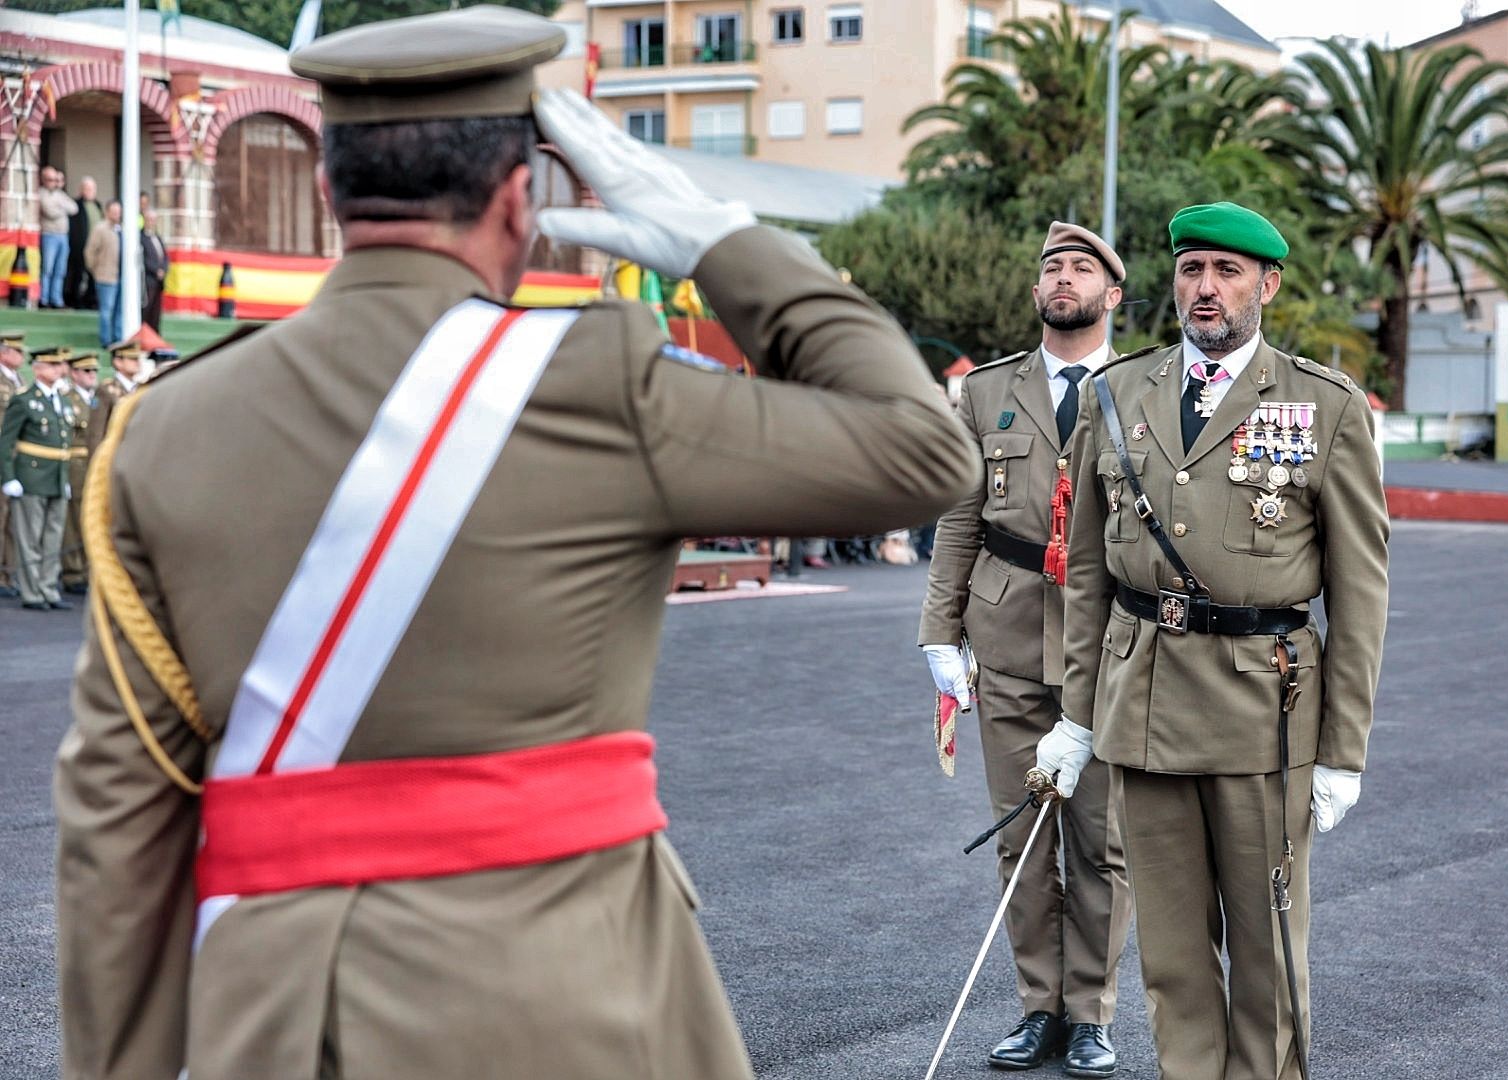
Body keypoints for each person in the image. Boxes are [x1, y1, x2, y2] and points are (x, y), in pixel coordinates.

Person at [53, 8, 976, 1080]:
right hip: (571, 997)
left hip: (279, 1017)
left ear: (328, 193)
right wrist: (721, 242)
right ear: (517, 198)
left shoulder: (163, 423)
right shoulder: (602, 383)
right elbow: (922, 452)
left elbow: (119, 809)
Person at [1041, 202, 1389, 1080]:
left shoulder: (1326, 406)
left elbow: (1360, 597)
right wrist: (1075, 716)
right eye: (1193, 268)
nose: (1207, 288)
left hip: (1261, 713)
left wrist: (1343, 751)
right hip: (1143, 705)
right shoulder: (1116, 394)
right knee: (1172, 956)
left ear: (1266, 286)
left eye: (1228, 272)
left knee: (1269, 951)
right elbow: (1087, 575)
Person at [919, 221, 1134, 1076]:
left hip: (1110, 643)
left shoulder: (1142, 386)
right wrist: (939, 630)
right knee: (1021, 839)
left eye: (1082, 267)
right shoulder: (986, 391)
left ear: (1112, 295)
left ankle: (1090, 1013)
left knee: (1099, 840)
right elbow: (960, 516)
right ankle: (1037, 1008)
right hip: (1005, 633)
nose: (1063, 277)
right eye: (1051, 266)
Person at [0, 346, 74, 611]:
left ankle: (48, 588)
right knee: (30, 537)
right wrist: (8, 477)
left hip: (57, 475)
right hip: (31, 475)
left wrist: (64, 477)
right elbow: (6, 441)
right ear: (38, 368)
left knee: (53, 537)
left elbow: (64, 441)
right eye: (52, 364)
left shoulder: (63, 400)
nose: (58, 369)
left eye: (60, 365)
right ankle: (32, 592)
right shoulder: (24, 399)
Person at [57, 353, 99, 594]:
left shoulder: (97, 399)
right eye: (86, 372)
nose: (91, 375)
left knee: (91, 518)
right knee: (73, 520)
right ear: (74, 374)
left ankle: (88, 568)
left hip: (93, 463)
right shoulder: (67, 399)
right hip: (75, 464)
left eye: (93, 371)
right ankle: (73, 572)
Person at [0, 330, 26, 598]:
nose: (21, 356)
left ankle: (8, 573)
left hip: (14, 455)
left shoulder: (19, 379)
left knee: (10, 520)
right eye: (16, 351)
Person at [89, 340, 142, 456]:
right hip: (115, 455)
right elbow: (96, 432)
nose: (137, 362)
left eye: (138, 358)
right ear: (118, 362)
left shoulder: (141, 389)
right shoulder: (105, 390)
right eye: (132, 359)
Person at [37, 166, 79, 309]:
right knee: (47, 269)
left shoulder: (59, 194)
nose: (53, 182)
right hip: (49, 235)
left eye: (56, 180)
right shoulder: (41, 194)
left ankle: (57, 300)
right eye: (50, 179)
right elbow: (49, 211)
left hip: (63, 236)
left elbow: (74, 208)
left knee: (60, 270)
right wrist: (62, 208)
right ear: (43, 180)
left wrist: (60, 207)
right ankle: (44, 299)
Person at [84, 199, 123, 347]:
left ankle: (118, 338)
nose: (116, 215)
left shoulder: (121, 229)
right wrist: (95, 270)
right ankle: (106, 340)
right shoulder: (100, 229)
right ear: (107, 212)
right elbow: (89, 252)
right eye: (114, 212)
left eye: (118, 212)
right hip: (105, 276)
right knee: (107, 310)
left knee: (119, 310)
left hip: (120, 276)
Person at [66, 176, 102, 310]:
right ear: (81, 190)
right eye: (86, 188)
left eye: (91, 189)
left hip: (96, 248)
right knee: (78, 274)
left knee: (93, 276)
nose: (89, 191)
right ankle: (75, 300)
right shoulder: (76, 205)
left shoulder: (97, 205)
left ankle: (91, 300)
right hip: (81, 246)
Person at [139, 191, 169, 332]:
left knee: (156, 313)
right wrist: (156, 270)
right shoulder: (141, 237)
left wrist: (163, 269)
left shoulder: (157, 237)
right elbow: (143, 259)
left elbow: (164, 256)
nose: (151, 222)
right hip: (148, 280)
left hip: (158, 281)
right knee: (146, 310)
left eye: (153, 220)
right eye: (149, 219)